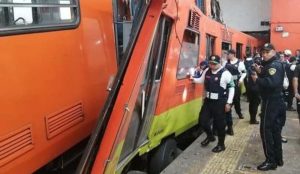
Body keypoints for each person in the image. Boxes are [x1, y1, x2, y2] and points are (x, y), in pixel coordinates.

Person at [251, 43, 286, 171]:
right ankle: (278, 158)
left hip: (271, 102)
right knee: (275, 131)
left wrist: (256, 79)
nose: (264, 55)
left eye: (267, 52)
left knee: (266, 131)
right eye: (263, 52)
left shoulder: (274, 65)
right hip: (276, 101)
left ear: (274, 51)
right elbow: (270, 77)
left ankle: (271, 161)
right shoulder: (272, 64)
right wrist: (260, 72)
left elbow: (271, 83)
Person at [192, 55, 235, 153]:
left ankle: (221, 144)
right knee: (202, 120)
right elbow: (200, 80)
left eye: (214, 64)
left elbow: (232, 88)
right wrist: (192, 79)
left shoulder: (225, 73)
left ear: (219, 63)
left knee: (220, 124)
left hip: (220, 102)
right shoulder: (207, 70)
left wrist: (229, 103)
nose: (212, 66)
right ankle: (210, 136)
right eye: (210, 63)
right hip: (208, 101)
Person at [224, 49, 246, 135]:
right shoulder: (226, 63)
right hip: (227, 84)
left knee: (236, 100)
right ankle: (228, 124)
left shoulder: (240, 63)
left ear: (232, 54)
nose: (227, 56)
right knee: (228, 101)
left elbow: (244, 73)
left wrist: (241, 79)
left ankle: (239, 113)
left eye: (228, 54)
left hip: (236, 84)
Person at [247, 56, 262, 124]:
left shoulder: (252, 68)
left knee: (252, 104)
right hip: (255, 89)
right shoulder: (253, 69)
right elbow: (255, 79)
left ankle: (252, 118)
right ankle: (253, 120)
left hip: (251, 88)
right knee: (254, 105)